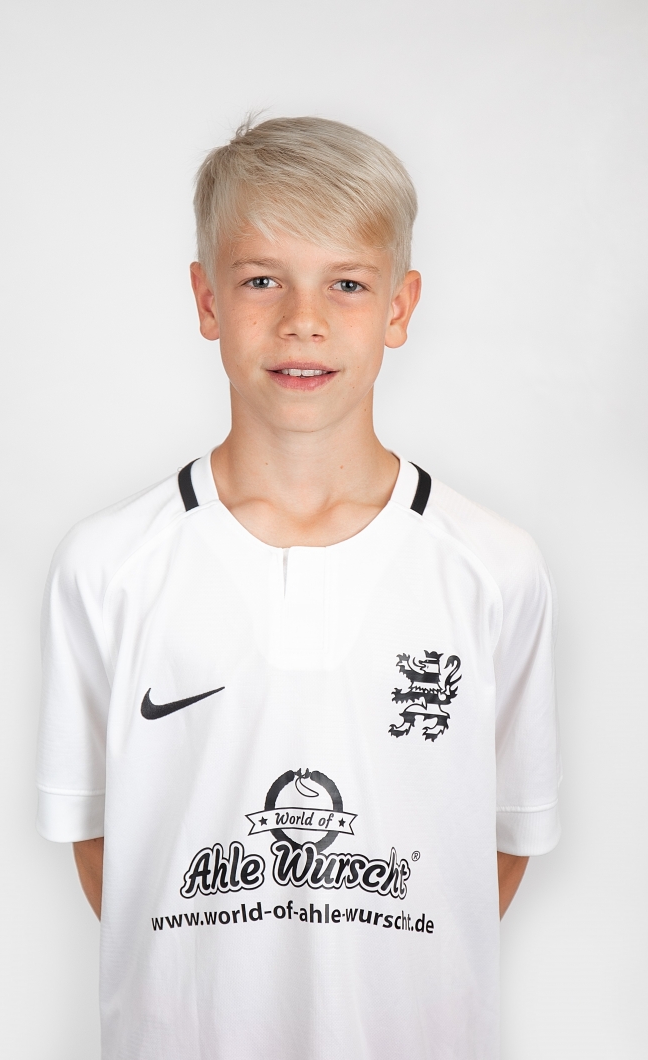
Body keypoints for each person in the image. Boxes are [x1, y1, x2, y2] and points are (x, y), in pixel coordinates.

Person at [36, 117, 561, 1059]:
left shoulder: (493, 566)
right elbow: (101, 843)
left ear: (399, 307)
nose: (301, 320)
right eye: (261, 280)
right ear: (206, 299)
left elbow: (500, 845)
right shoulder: (108, 564)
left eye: (346, 284)